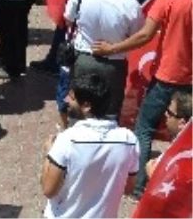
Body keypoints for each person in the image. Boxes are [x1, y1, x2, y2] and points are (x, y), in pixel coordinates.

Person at [91, 0, 193, 195]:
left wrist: (111, 48)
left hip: (168, 75)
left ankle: (139, 187)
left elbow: (145, 35)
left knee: (145, 127)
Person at [41, 72, 139, 219]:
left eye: (72, 97)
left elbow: (48, 189)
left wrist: (49, 155)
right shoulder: (129, 140)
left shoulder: (67, 140)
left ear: (86, 105)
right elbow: (128, 188)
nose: (66, 100)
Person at [64, 0, 143, 119]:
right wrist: (113, 47)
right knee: (109, 113)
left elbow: (68, 19)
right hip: (113, 66)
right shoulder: (131, 5)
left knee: (78, 109)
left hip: (82, 59)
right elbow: (136, 38)